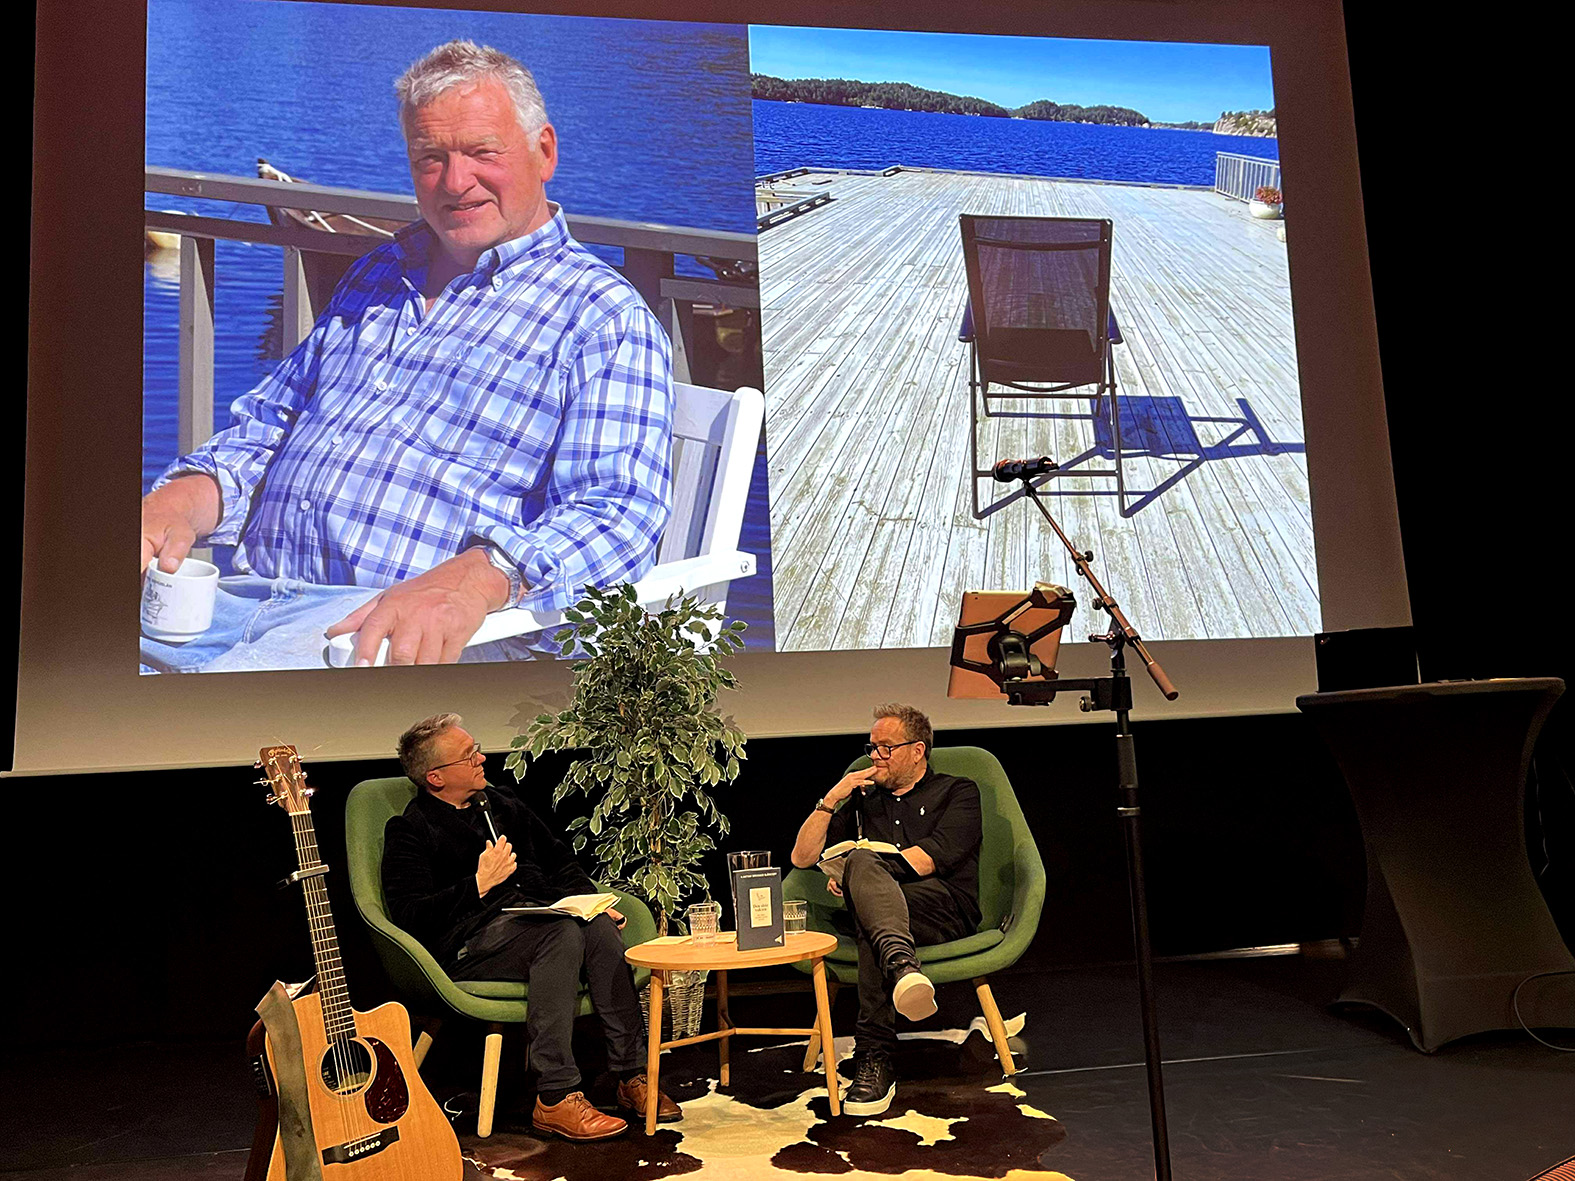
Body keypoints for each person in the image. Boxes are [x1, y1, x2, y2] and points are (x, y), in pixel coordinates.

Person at [139, 40, 672, 672]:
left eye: (482, 152)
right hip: (241, 597)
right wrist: (178, 501)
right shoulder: (379, 275)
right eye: (430, 158)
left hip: (388, 635)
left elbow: (619, 515)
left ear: (544, 152)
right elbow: (270, 431)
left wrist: (479, 577)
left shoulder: (600, 317)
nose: (455, 182)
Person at [382, 713, 680, 1140]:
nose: (482, 758)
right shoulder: (411, 829)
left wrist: (591, 902)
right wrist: (478, 885)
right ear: (435, 777)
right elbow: (410, 915)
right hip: (470, 943)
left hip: (536, 918)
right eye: (469, 756)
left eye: (476, 748)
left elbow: (560, 861)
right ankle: (556, 1097)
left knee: (594, 929)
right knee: (560, 935)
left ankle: (632, 1076)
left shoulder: (501, 805)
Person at [789, 703, 981, 1117]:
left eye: (885, 748)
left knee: (864, 887)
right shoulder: (862, 802)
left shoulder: (958, 791)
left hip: (945, 911)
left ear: (917, 750)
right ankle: (902, 969)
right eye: (871, 747)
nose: (874, 757)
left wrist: (861, 873)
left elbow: (930, 861)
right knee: (870, 907)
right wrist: (832, 798)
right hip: (890, 922)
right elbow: (802, 857)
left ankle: (873, 1058)